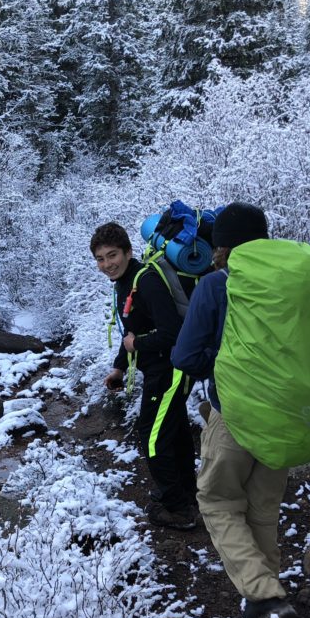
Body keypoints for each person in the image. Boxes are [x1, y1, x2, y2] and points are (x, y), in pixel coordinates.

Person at [171, 202, 297, 618]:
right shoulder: (292, 283)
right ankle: (268, 595)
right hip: (285, 414)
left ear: (220, 246)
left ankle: (262, 596)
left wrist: (222, 360)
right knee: (263, 507)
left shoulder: (216, 284)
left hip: (236, 413)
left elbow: (186, 357)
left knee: (218, 501)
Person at [90, 222, 197, 530]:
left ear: (128, 252)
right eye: (100, 259)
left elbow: (172, 333)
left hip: (170, 369)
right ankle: (185, 493)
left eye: (112, 255)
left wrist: (136, 345)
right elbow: (132, 330)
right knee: (175, 432)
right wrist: (119, 367)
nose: (107, 264)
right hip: (158, 368)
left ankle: (178, 510)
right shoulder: (125, 282)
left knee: (152, 437)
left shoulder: (146, 281)